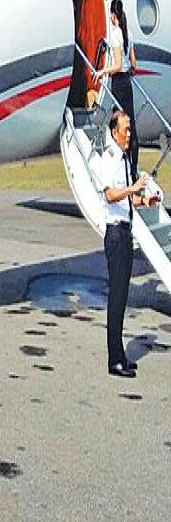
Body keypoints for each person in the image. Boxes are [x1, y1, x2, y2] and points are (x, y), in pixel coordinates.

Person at [99, 110, 157, 377]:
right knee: (117, 297)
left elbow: (125, 200)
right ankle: (114, 360)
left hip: (125, 231)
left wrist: (143, 201)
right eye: (125, 130)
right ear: (114, 131)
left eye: (130, 130)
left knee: (122, 298)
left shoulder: (123, 159)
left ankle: (121, 354)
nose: (129, 134)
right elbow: (110, 195)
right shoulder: (109, 159)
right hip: (115, 235)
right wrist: (134, 189)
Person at [95, 0, 139, 179]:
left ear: (113, 16)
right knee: (130, 125)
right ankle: (133, 167)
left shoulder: (115, 35)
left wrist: (103, 71)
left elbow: (118, 64)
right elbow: (133, 63)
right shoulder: (129, 32)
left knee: (118, 123)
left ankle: (122, 166)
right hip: (127, 82)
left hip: (118, 82)